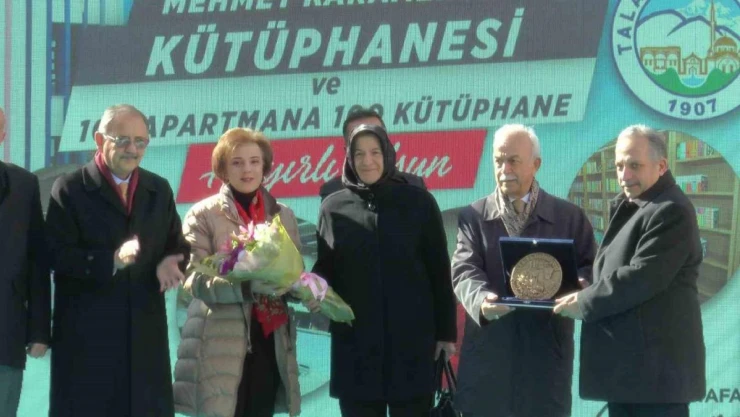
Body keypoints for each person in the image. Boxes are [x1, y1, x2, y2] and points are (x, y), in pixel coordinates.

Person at [45, 104, 190, 417]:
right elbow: (56, 255)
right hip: (89, 345)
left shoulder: (158, 189)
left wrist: (172, 262)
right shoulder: (70, 189)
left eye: (140, 141)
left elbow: (178, 245)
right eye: (123, 140)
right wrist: (109, 261)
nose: (132, 149)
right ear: (99, 140)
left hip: (144, 341)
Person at [554, 125, 706, 417]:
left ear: (661, 166)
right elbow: (617, 267)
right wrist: (586, 282)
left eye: (635, 165)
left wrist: (584, 302)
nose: (624, 175)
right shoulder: (637, 205)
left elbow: (641, 276)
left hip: (655, 381)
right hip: (633, 376)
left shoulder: (670, 210)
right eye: (619, 166)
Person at [451, 124, 596, 417]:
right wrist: (481, 300)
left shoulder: (569, 217)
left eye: (513, 161)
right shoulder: (473, 216)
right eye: (498, 161)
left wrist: (579, 287)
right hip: (488, 358)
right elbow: (464, 269)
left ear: (536, 164)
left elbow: (592, 267)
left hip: (545, 357)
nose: (504, 169)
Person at [312, 124, 457, 417]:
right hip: (356, 348)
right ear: (349, 158)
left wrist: (446, 333)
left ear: (387, 154)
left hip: (412, 345)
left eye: (375, 152)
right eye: (359, 154)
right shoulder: (333, 207)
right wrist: (307, 287)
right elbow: (325, 269)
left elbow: (439, 271)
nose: (367, 161)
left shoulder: (419, 202)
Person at [173, 128, 314, 417]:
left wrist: (303, 290)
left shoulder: (283, 215)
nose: (247, 170)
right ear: (223, 169)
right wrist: (246, 287)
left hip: (270, 341)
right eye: (237, 162)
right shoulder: (203, 214)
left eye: (254, 161)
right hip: (219, 343)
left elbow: (294, 273)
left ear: (265, 167)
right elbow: (192, 279)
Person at [0, 108, 51, 417]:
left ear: (3, 134)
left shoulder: (23, 184)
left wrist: (39, 330)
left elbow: (37, 262)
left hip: (6, 334)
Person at [318, 107, 426, 201]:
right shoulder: (331, 194)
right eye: (357, 139)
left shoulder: (414, 186)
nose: (367, 161)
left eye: (374, 135)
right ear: (347, 151)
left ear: (386, 146)